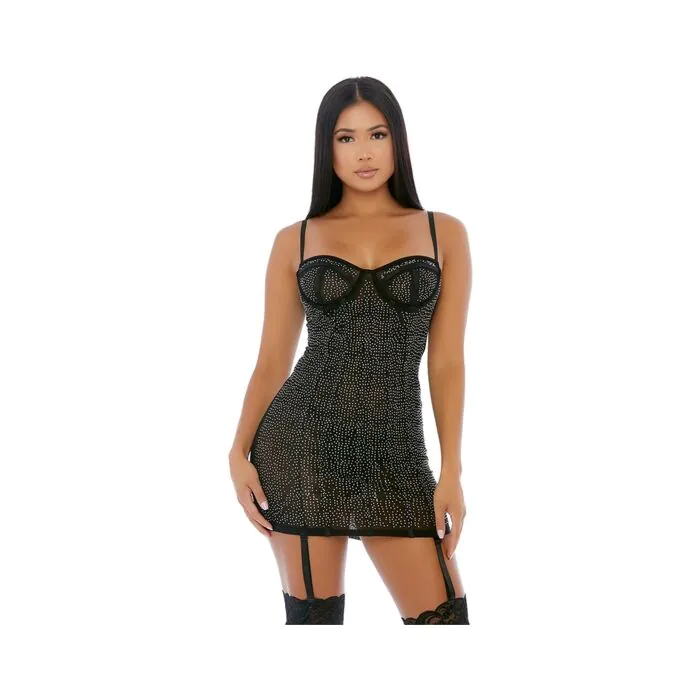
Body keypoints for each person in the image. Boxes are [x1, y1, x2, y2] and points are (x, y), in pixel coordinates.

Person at [228, 76, 472, 624]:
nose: (364, 152)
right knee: (314, 626)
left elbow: (447, 363)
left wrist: (452, 470)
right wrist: (237, 453)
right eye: (346, 138)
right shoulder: (295, 240)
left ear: (397, 140)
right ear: (327, 148)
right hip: (300, 449)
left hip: (396, 453)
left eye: (377, 134)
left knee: (446, 623)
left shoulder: (444, 234)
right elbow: (272, 361)